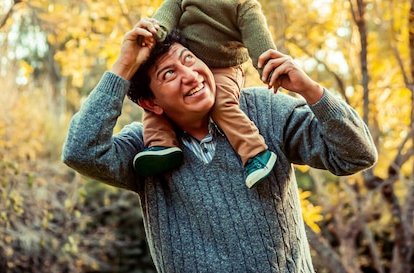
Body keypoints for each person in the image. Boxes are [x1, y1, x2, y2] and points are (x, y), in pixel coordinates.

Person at [61, 20, 378, 273]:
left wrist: (311, 91)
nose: (190, 75)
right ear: (150, 103)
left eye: (189, 60)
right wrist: (123, 67)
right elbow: (81, 151)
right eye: (169, 73)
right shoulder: (146, 151)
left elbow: (356, 154)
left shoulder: (265, 111)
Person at [134, 0, 279, 188]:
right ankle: (161, 146)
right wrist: (154, 33)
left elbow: (258, 38)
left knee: (222, 104)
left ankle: (255, 153)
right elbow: (164, 18)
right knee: (155, 104)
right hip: (187, 65)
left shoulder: (242, 1)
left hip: (224, 69)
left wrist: (269, 67)